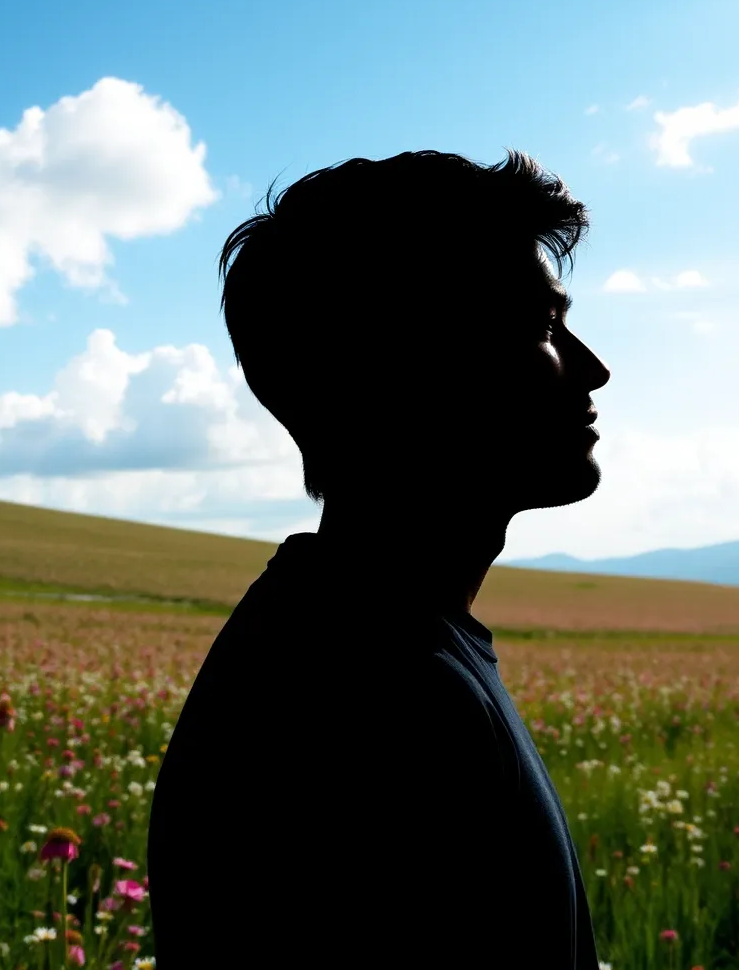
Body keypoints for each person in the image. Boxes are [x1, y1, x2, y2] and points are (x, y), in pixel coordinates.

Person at [148, 150, 611, 968]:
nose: (593, 370)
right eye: (541, 327)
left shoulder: (344, 643)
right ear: (409, 365)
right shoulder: (385, 703)